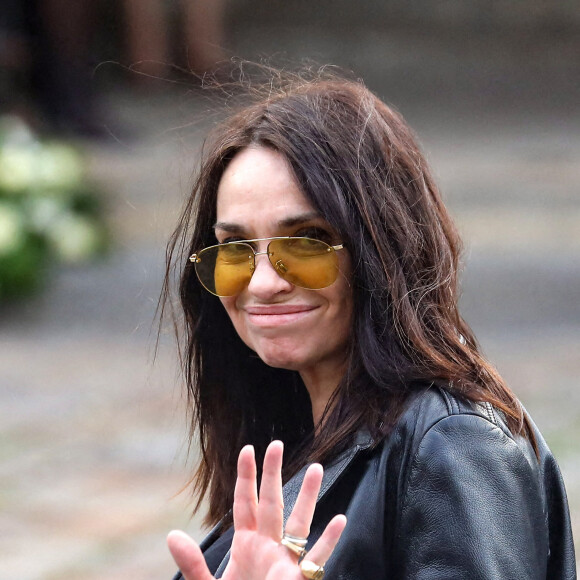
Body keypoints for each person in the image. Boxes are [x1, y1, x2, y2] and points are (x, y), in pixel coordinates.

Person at [161, 71, 576, 579]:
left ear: (382, 251)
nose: (263, 284)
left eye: (308, 242)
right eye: (235, 249)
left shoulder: (455, 446)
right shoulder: (291, 433)